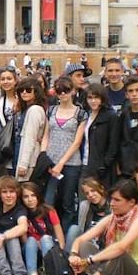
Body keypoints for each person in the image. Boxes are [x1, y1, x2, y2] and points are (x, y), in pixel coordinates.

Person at [50, 179, 138, 275]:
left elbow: (121, 247)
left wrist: (88, 261)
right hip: (115, 273)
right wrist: (74, 255)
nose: (111, 203)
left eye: (117, 200)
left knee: (118, 254)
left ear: (132, 202)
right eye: (111, 199)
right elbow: (80, 239)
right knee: (85, 246)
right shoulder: (114, 217)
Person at [41, 76, 87, 231]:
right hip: (51, 162)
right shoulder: (52, 110)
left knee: (67, 203)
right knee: (48, 201)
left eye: (66, 91)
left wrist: (61, 163)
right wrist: (44, 157)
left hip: (71, 163)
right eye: (59, 91)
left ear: (73, 91)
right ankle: (51, 233)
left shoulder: (80, 113)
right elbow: (46, 135)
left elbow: (77, 142)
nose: (62, 94)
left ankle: (66, 238)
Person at [20, 182, 65, 275]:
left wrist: (61, 252)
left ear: (38, 196)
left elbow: (59, 235)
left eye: (33, 195)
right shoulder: (22, 213)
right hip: (31, 250)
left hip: (48, 248)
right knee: (31, 240)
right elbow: (24, 239)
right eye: (26, 197)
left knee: (45, 238)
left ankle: (49, 274)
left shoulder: (49, 211)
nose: (30, 199)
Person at [81, 83, 119, 189]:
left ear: (102, 98)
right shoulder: (85, 114)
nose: (93, 101)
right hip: (84, 163)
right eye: (90, 97)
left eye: (96, 97)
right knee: (83, 201)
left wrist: (104, 165)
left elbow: (113, 145)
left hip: (101, 168)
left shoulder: (111, 116)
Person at [64, 177, 110, 253]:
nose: (90, 195)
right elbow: (82, 228)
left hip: (104, 244)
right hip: (87, 240)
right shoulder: (85, 205)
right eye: (87, 193)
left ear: (101, 189)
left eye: (93, 190)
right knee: (74, 228)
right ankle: (68, 259)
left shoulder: (112, 206)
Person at [14, 78, 46, 182]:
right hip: (21, 153)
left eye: (28, 90)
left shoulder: (34, 110)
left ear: (36, 91)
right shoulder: (26, 109)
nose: (24, 92)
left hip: (29, 160)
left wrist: (24, 164)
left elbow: (30, 138)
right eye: (21, 90)